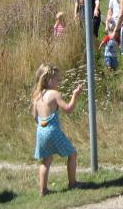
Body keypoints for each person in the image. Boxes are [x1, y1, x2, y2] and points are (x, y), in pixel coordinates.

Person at [31, 64, 83, 196]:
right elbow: (68, 109)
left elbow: (34, 117)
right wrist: (75, 95)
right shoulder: (54, 94)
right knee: (72, 154)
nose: (59, 81)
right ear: (48, 80)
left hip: (40, 131)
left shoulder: (37, 96)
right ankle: (72, 183)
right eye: (57, 79)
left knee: (46, 160)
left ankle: (43, 190)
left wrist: (42, 124)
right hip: (53, 130)